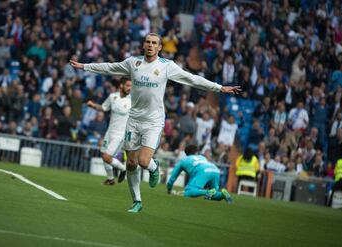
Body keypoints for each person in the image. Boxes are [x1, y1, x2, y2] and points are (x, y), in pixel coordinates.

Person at [70, 33, 241, 213]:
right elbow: (110, 67)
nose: (150, 45)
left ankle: (154, 167)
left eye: (154, 43)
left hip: (153, 121)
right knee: (130, 164)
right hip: (133, 120)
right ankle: (137, 201)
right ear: (144, 45)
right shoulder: (133, 62)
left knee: (144, 161)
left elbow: (192, 79)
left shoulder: (167, 66)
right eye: (148, 42)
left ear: (159, 47)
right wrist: (84, 66)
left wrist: (219, 88)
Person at [86, 78, 132, 185]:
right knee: (103, 154)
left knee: (107, 157)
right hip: (109, 132)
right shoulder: (112, 97)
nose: (130, 88)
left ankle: (123, 168)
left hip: (120, 135)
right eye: (128, 86)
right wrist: (93, 106)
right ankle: (111, 179)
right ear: (121, 86)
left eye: (131, 86)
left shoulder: (132, 101)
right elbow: (103, 108)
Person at [166, 144, 232, 203]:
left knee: (189, 192)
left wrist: (169, 190)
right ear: (196, 152)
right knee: (213, 195)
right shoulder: (202, 157)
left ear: (186, 154)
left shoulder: (183, 160)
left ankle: (207, 191)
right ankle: (223, 195)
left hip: (203, 170)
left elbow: (172, 179)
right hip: (214, 169)